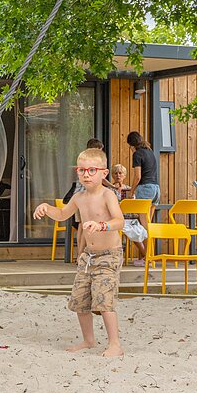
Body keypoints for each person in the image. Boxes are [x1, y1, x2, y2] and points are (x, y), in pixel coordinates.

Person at [34, 147, 126, 358]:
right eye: (82, 170)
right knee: (80, 300)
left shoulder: (108, 195)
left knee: (104, 300)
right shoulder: (78, 197)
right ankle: (88, 340)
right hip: (89, 256)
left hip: (108, 255)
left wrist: (102, 226)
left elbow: (119, 221)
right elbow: (62, 214)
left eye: (92, 170)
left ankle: (115, 344)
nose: (86, 174)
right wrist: (47, 208)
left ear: (103, 173)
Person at [127, 131, 160, 205]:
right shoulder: (150, 152)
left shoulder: (137, 154)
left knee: (143, 215)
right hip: (156, 188)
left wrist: (132, 191)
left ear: (131, 145)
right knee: (149, 216)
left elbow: (137, 177)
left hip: (145, 188)